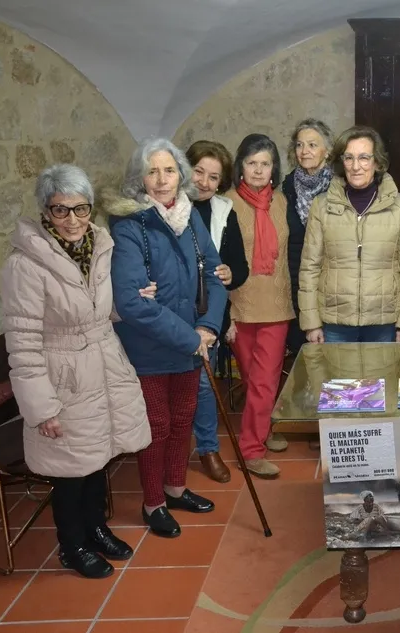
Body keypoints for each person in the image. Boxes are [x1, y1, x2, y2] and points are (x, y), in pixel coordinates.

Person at [0, 165, 153, 578]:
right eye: (60, 210)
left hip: (103, 364)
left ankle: (96, 529)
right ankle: (72, 545)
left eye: (80, 209)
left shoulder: (98, 245)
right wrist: (42, 408)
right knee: (70, 470)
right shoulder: (24, 265)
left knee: (97, 457)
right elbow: (23, 343)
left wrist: (131, 299)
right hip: (62, 377)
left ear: (91, 208)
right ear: (45, 211)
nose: (72, 220)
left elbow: (96, 309)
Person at [106, 138, 227, 538]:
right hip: (150, 348)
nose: (161, 180)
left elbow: (215, 274)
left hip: (192, 342)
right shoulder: (129, 224)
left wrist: (208, 327)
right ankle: (153, 503)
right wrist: (190, 337)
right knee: (156, 426)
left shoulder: (190, 218)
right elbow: (132, 301)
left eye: (169, 170)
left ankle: (175, 488)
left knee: (183, 419)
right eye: (152, 171)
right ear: (139, 179)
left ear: (181, 175)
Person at [299, 125, 400, 343]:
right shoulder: (321, 205)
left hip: (384, 322)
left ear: (377, 162)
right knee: (336, 369)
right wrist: (311, 322)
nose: (356, 166)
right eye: (349, 158)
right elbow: (310, 267)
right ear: (341, 162)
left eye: (364, 158)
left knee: (384, 369)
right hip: (334, 322)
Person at [226, 133, 295, 479]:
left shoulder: (281, 202)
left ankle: (251, 450)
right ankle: (263, 429)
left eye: (265, 163)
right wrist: (222, 314)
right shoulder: (225, 204)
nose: (257, 170)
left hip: (277, 305)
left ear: (273, 168)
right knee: (254, 380)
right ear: (241, 166)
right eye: (251, 163)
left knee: (265, 381)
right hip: (239, 306)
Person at [186, 140, 249, 484]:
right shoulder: (165, 207)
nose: (204, 182)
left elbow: (240, 267)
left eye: (213, 177)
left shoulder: (224, 211)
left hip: (207, 313)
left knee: (204, 386)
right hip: (170, 311)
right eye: (199, 172)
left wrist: (229, 272)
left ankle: (208, 448)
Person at [282, 118, 334, 353]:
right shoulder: (287, 187)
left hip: (334, 286)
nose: (305, 151)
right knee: (304, 357)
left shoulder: (340, 187)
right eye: (300, 145)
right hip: (298, 286)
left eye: (312, 145)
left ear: (327, 151)